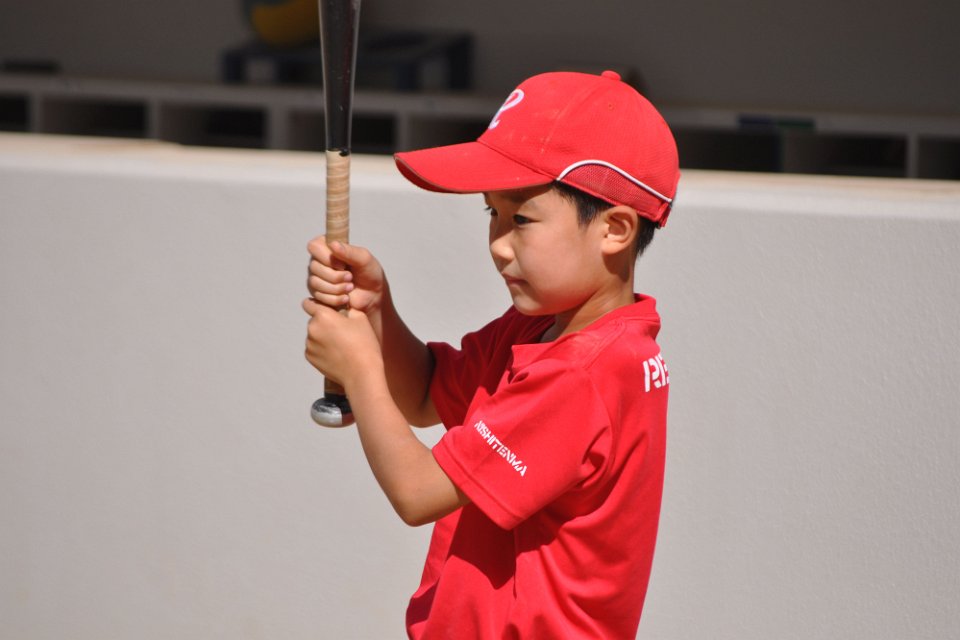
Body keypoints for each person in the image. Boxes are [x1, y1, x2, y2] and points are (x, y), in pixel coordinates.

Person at [303, 69, 679, 639]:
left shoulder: (584, 371)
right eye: (492, 214)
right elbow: (426, 395)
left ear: (616, 229)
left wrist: (358, 369)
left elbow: (417, 492)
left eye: (521, 219)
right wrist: (377, 310)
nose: (499, 245)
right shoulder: (540, 328)